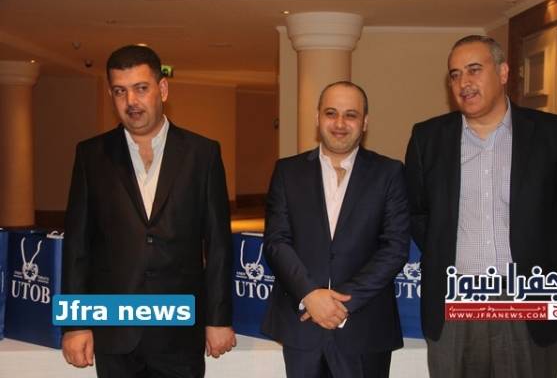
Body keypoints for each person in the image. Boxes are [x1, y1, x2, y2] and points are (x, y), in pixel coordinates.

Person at [405, 35, 557, 378]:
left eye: (474, 70)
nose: (463, 82)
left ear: (503, 72)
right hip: (456, 298)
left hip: (530, 296)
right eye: (455, 74)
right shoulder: (427, 138)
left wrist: (541, 249)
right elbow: (417, 212)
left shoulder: (551, 132)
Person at [61, 45, 236, 377]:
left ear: (163, 89)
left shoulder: (202, 154)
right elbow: (76, 247)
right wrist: (74, 323)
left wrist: (219, 318)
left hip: (179, 331)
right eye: (120, 91)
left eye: (141, 88)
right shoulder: (90, 155)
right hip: (114, 328)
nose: (131, 101)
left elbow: (218, 245)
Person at [262, 81, 410, 378]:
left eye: (350, 115)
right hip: (302, 325)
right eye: (331, 113)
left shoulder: (389, 173)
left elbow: (394, 248)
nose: (340, 123)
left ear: (365, 122)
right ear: (317, 118)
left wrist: (342, 302)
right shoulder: (287, 171)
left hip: (364, 328)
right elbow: (277, 241)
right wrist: (310, 295)